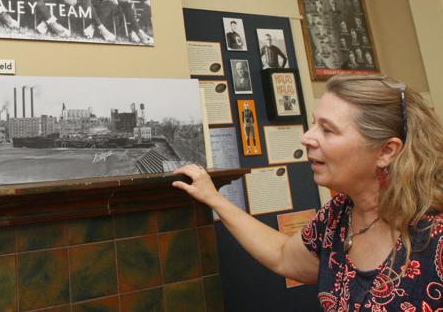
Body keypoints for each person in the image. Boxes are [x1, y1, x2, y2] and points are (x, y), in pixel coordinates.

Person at [173, 75, 443, 310]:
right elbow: (281, 254)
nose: (306, 137)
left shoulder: (436, 234)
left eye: (327, 129)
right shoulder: (338, 216)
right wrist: (214, 198)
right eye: (314, 124)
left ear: (386, 151)